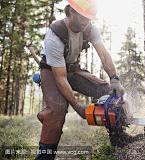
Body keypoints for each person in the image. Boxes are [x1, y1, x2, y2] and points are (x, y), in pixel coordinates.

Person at [35, 0, 124, 159]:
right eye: (83, 17)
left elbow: (103, 55)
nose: (86, 22)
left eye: (89, 18)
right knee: (57, 110)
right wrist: (77, 107)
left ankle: (119, 140)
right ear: (70, 11)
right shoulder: (54, 36)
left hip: (72, 68)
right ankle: (45, 156)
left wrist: (114, 79)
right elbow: (61, 78)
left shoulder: (90, 29)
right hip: (51, 70)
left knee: (106, 91)